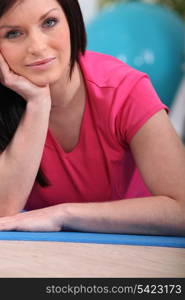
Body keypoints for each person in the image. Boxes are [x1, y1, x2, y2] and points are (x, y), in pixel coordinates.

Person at [0, 0, 185, 235]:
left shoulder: (125, 90)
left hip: (135, 252)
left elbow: (182, 210)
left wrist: (63, 214)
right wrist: (38, 103)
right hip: (43, 255)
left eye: (49, 22)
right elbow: (3, 211)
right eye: (13, 33)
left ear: (71, 21)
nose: (37, 46)